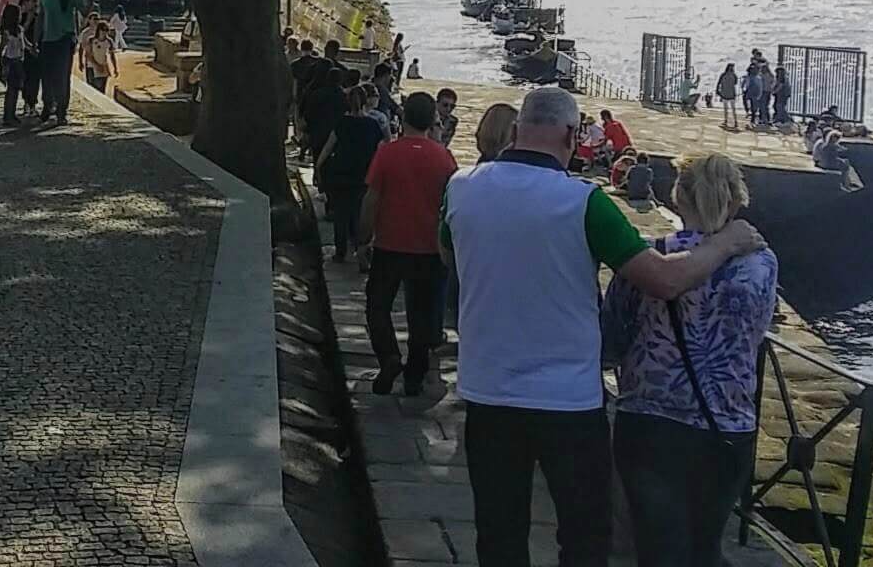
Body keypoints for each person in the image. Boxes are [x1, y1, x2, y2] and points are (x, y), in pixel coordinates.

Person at [439, 87, 766, 567]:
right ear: (571, 135)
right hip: (567, 400)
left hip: (487, 390)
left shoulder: (461, 187)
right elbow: (663, 280)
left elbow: (449, 255)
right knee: (584, 534)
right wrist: (725, 244)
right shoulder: (584, 202)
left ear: (516, 131)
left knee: (498, 531)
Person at [604, 154, 778, 567]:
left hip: (650, 418)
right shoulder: (761, 264)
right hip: (726, 423)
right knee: (704, 549)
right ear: (736, 202)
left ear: (677, 197)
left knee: (656, 550)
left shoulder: (650, 258)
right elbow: (755, 333)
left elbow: (612, 336)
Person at [361, 92, 458, 395]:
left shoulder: (388, 153)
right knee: (422, 314)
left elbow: (372, 199)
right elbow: (452, 205)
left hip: (389, 244)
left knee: (377, 306)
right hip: (429, 248)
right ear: (432, 120)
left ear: (403, 117)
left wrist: (363, 237)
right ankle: (415, 375)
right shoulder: (444, 158)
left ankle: (389, 356)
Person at [316, 85, 387, 263]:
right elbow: (381, 151)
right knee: (360, 215)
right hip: (364, 176)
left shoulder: (342, 123)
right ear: (365, 101)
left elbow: (327, 149)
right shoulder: (373, 125)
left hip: (341, 176)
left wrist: (319, 168)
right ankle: (361, 253)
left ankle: (340, 253)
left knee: (340, 215)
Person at [36, 0, 88, 125]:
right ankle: (47, 105)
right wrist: (36, 38)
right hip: (47, 39)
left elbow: (84, 10)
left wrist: (90, 0)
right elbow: (41, 15)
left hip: (64, 39)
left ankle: (61, 111)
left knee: (62, 76)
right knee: (46, 76)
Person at [0, 2, 29, 124]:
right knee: (11, 90)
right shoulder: (7, 33)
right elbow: (1, 49)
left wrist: (33, 49)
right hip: (10, 62)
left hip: (19, 61)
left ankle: (12, 113)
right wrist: (1, 66)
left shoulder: (20, 30)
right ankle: (8, 115)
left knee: (16, 89)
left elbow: (25, 43)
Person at [79, 13, 118, 94]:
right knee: (91, 89)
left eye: (106, 30)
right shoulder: (90, 39)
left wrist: (115, 68)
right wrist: (96, 65)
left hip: (103, 66)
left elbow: (112, 55)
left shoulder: (109, 41)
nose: (104, 32)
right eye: (103, 30)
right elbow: (87, 54)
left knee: (101, 90)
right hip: (91, 66)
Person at [715, 63, 740, 129]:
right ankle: (733, 121)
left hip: (726, 93)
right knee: (731, 109)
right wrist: (717, 90)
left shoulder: (724, 75)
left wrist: (717, 90)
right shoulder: (733, 75)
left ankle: (730, 121)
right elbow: (735, 83)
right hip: (729, 93)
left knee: (728, 109)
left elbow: (719, 83)